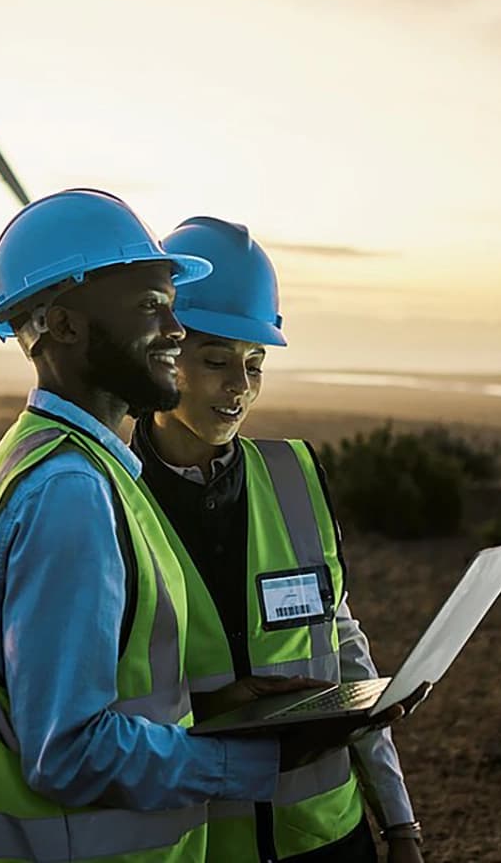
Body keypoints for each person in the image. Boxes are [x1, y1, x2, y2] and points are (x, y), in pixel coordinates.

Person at [0, 189, 402, 863]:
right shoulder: (72, 489)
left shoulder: (81, 470)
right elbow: (68, 750)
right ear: (65, 327)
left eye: (254, 363)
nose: (171, 330)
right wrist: (247, 760)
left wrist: (220, 701)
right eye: (151, 309)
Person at [131, 217, 423, 863]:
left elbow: (345, 652)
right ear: (162, 352)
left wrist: (399, 823)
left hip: (330, 839)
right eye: (215, 361)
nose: (240, 386)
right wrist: (213, 706)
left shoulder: (295, 477)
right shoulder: (107, 500)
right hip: (199, 846)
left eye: (255, 363)